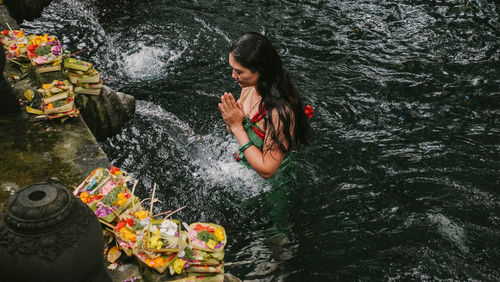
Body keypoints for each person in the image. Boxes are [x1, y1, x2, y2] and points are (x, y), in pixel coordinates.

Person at [218, 32, 313, 179]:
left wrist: (237, 127)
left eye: (239, 71)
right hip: (244, 171)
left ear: (259, 71)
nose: (233, 75)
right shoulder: (248, 88)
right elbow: (233, 130)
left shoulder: (279, 112)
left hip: (274, 185)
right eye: (232, 69)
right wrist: (231, 121)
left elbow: (268, 171)